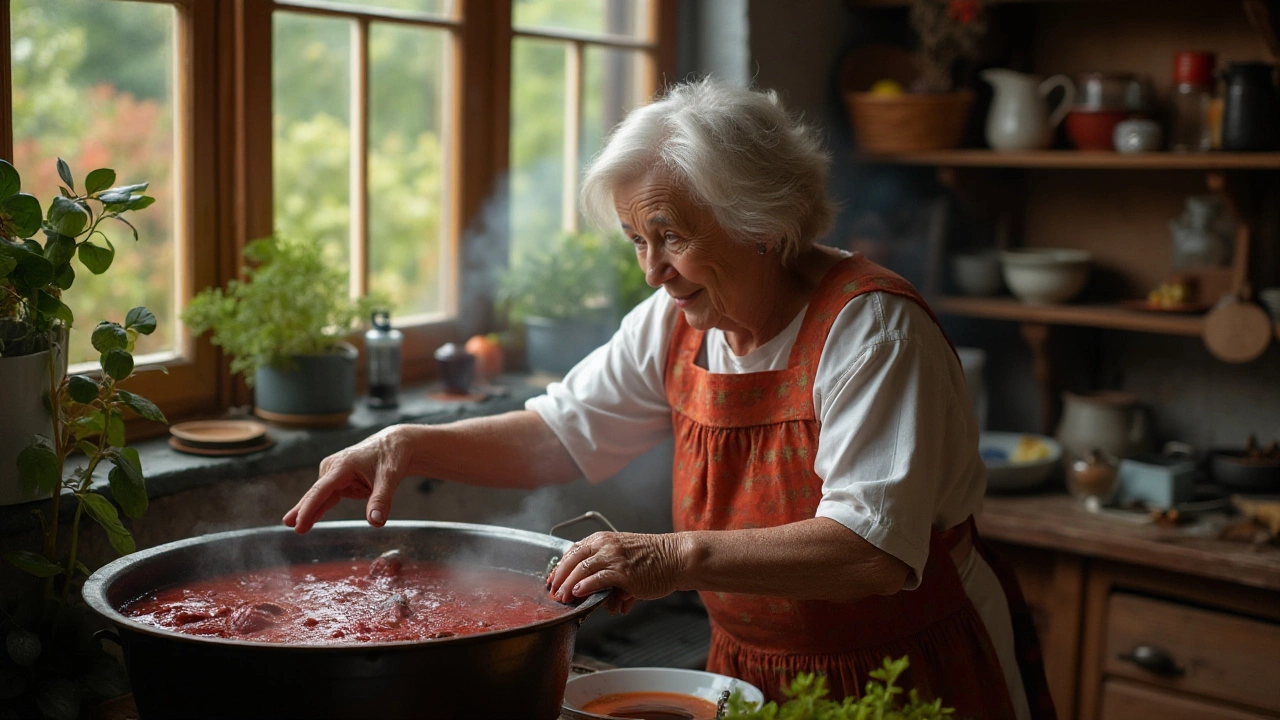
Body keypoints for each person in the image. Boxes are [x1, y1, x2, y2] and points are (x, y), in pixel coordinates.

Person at [284, 78, 1053, 719]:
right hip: (740, 670)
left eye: (670, 235)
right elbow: (561, 433)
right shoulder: (678, 317)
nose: (652, 269)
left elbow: (871, 551)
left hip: (903, 669)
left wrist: (670, 556)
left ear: (762, 221)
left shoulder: (872, 331)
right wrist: (407, 444)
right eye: (635, 241)